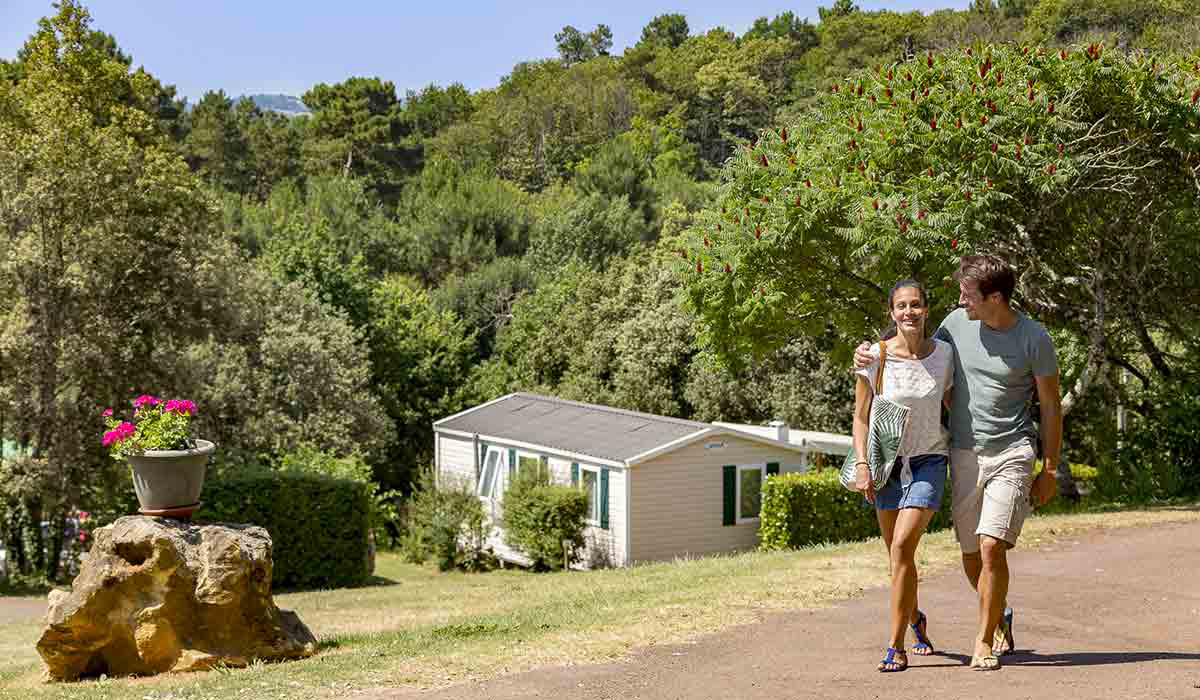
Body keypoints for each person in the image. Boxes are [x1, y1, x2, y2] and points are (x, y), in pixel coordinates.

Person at [855, 255, 1062, 671]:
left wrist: (1050, 468)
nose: (961, 301)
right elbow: (915, 344)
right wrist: (868, 352)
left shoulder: (1034, 338)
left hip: (1010, 450)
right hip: (962, 452)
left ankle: (981, 642)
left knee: (989, 546)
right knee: (970, 553)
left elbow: (1050, 406)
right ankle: (997, 613)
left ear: (995, 297)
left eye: (968, 295)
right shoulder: (955, 323)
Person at [852, 279, 955, 672]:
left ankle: (895, 647)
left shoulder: (944, 354)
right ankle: (915, 619)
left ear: (927, 310)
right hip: (885, 466)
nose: (909, 312)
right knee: (898, 559)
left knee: (902, 547)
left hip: (930, 460)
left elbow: (955, 403)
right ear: (892, 313)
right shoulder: (874, 357)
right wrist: (863, 465)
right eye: (901, 306)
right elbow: (861, 418)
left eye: (916, 305)